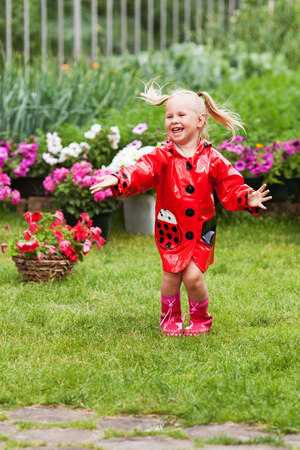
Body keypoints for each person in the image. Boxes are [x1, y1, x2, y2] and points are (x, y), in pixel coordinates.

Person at [90, 83, 272, 337]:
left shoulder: (213, 159)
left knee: (193, 278)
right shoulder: (162, 155)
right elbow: (142, 170)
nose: (173, 120)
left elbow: (231, 186)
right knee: (171, 277)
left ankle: (200, 318)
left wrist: (246, 197)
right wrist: (120, 178)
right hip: (171, 227)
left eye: (180, 115)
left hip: (202, 230)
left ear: (200, 120)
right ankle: (170, 317)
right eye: (169, 116)